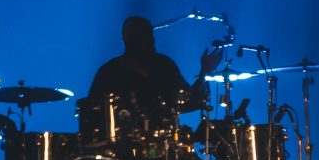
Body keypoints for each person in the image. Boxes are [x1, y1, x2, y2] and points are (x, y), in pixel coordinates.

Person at [84, 15, 223, 135]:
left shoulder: (164, 65)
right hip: (122, 146)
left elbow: (188, 100)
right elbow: (92, 112)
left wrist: (205, 72)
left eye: (147, 34)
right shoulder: (109, 71)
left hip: (164, 145)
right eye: (142, 35)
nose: (148, 39)